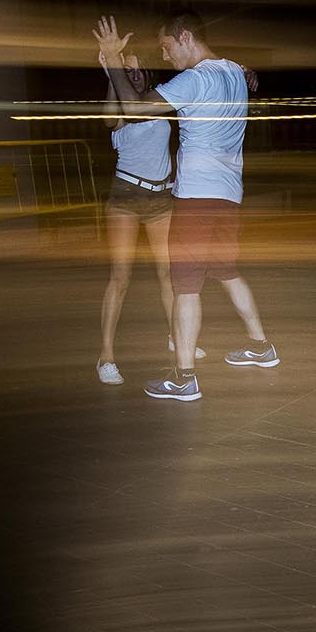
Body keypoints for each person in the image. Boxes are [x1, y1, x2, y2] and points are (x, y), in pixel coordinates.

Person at [93, 12, 278, 403]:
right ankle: (261, 347)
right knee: (227, 272)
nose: (165, 54)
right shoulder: (231, 71)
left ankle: (184, 376)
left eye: (167, 46)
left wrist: (111, 62)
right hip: (229, 195)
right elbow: (247, 76)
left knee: (185, 286)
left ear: (185, 37)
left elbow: (139, 110)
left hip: (196, 197)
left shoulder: (195, 78)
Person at [94, 46, 176, 386]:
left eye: (139, 69)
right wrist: (113, 78)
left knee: (168, 274)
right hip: (127, 196)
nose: (135, 74)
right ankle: (106, 357)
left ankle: (178, 338)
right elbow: (110, 120)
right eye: (128, 71)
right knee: (121, 278)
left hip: (161, 197)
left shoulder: (157, 99)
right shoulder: (123, 108)